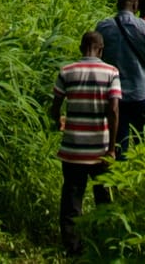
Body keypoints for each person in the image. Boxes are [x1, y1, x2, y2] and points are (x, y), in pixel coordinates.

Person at [49, 29, 120, 257]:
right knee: (104, 198)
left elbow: (55, 105)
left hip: (73, 149)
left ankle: (73, 248)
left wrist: (57, 121)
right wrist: (111, 148)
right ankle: (107, 243)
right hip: (100, 149)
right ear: (101, 49)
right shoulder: (111, 72)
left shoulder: (66, 71)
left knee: (71, 199)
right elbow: (114, 109)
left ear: (81, 48)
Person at [93, 0, 145, 153]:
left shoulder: (103, 27)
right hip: (141, 92)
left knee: (118, 144)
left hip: (114, 95)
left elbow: (97, 55)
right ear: (135, 6)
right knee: (144, 142)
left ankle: (119, 174)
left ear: (117, 5)